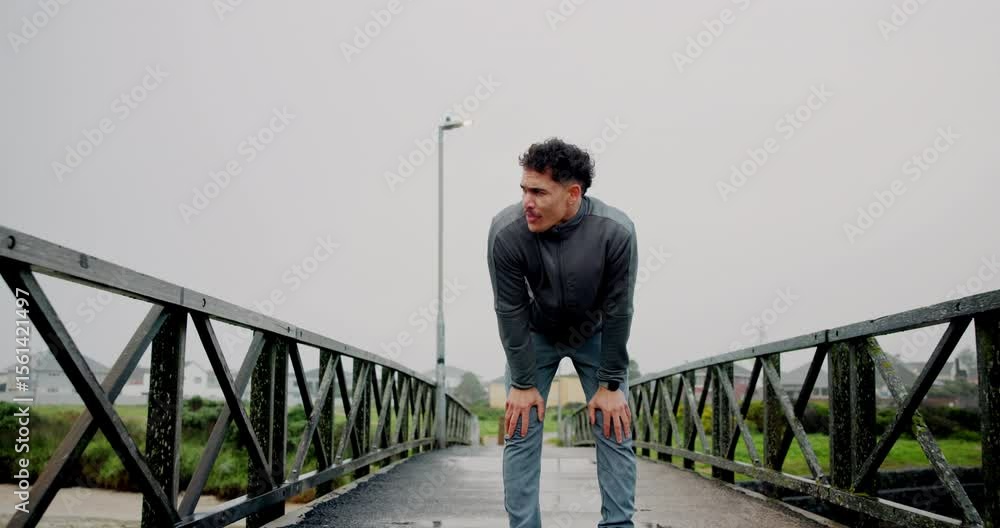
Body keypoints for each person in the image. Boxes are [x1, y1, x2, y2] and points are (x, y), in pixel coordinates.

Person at [487, 137, 638, 528]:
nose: (527, 201)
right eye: (524, 189)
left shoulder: (616, 231)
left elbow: (619, 309)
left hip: (596, 333)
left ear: (573, 194)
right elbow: (509, 309)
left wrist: (610, 384)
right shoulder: (506, 232)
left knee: (615, 424)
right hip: (536, 335)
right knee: (520, 427)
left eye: (539, 192)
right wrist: (522, 383)